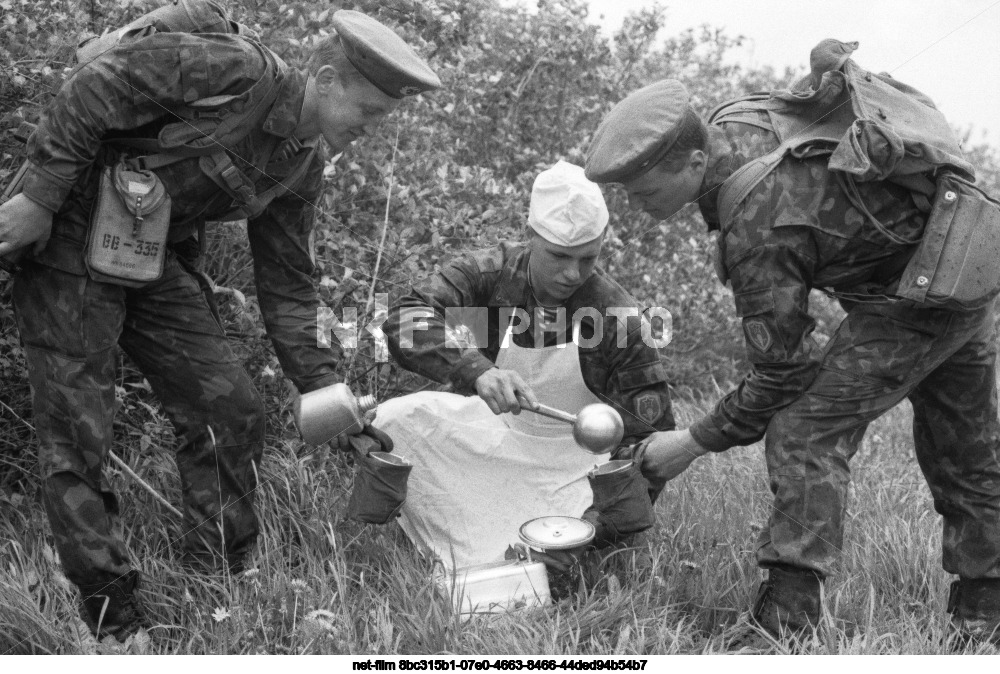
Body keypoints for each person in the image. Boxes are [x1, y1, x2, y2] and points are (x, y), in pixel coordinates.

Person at [0, 6, 440, 640]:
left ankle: (216, 586)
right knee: (77, 431)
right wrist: (39, 196)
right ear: (324, 78)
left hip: (145, 252)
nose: (369, 129)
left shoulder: (300, 167)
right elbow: (96, 85)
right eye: (367, 111)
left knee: (229, 411)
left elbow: (287, 288)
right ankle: (116, 622)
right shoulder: (237, 71)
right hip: (67, 227)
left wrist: (327, 393)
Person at [584, 78, 1000, 642]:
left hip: (918, 295)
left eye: (640, 188)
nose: (633, 203)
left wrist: (690, 443)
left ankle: (786, 621)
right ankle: (986, 612)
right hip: (970, 254)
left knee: (803, 432)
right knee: (967, 448)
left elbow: (782, 375)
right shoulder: (740, 120)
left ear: (695, 159)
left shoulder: (758, 226)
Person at [379, 160, 675, 574]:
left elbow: (649, 447)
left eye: (587, 259)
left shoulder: (618, 318)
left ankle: (537, 546)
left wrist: (593, 530)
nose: (572, 274)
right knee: (395, 419)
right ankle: (449, 529)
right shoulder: (489, 276)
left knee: (570, 534)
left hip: (573, 469)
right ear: (531, 235)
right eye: (558, 256)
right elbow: (404, 318)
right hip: (494, 441)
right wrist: (476, 369)